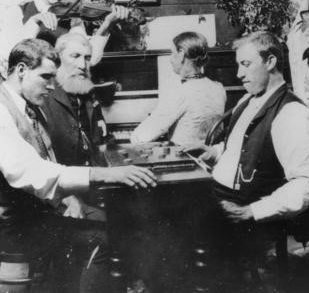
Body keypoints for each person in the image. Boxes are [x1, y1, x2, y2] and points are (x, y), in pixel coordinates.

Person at [0, 38, 156, 293]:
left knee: (117, 224)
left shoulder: (28, 105)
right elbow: (29, 172)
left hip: (38, 213)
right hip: (14, 226)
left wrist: (66, 198)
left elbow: (46, 159)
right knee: (106, 236)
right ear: (21, 70)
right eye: (46, 77)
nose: (52, 86)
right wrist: (108, 174)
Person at [186, 31, 309, 289]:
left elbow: (306, 184)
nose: (238, 74)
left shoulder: (291, 113)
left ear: (270, 62)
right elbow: (242, 148)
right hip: (219, 195)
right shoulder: (249, 100)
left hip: (245, 209)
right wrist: (213, 151)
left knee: (168, 226)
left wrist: (251, 211)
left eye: (245, 64)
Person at [0, 0, 129, 72]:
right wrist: (34, 21)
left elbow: (89, 61)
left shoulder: (72, 18)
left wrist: (106, 26)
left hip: (62, 94)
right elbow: (10, 58)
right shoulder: (16, 11)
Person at [130, 31, 226, 145]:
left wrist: (133, 136)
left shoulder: (180, 92)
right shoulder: (219, 88)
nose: (170, 59)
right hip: (210, 158)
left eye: (172, 53)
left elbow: (142, 136)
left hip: (185, 158)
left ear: (181, 54)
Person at [42, 31, 109, 168]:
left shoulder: (88, 94)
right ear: (58, 59)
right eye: (75, 56)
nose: (83, 66)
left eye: (87, 58)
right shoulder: (43, 97)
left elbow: (98, 141)